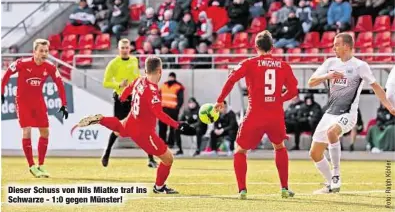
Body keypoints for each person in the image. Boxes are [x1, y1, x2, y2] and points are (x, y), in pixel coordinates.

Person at [74, 56, 195, 194]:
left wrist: (121, 98)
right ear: (160, 71)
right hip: (144, 132)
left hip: (130, 121)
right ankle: (159, 187)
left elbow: (128, 89)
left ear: (145, 69)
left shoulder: (139, 80)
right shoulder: (153, 91)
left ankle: (101, 119)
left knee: (120, 129)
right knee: (168, 159)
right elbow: (159, 114)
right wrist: (178, 125)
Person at [214, 30, 299, 199]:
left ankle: (242, 190)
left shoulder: (249, 63)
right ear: (273, 47)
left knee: (240, 151)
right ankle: (284, 188)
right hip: (275, 114)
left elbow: (231, 79)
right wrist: (278, 100)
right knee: (279, 147)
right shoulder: (283, 65)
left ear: (256, 47)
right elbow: (293, 91)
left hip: (255, 114)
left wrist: (220, 100)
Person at [308, 33, 395, 194]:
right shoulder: (330, 63)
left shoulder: (360, 66)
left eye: (336, 44)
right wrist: (328, 76)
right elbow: (311, 81)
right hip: (330, 112)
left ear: (347, 46)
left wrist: (390, 107)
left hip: (348, 114)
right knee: (314, 153)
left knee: (331, 132)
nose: (333, 47)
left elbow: (376, 87)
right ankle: (330, 185)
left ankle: (336, 175)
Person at [1, 39, 68, 177]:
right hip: (23, 102)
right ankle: (31, 166)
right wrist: (2, 92)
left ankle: (41, 165)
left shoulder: (50, 67)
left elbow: (60, 84)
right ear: (34, 52)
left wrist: (64, 104)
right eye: (41, 51)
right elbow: (6, 75)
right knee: (27, 131)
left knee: (45, 132)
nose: (44, 54)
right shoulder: (22, 63)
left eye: (46, 51)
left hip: (39, 102)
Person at [101, 38, 157, 168]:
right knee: (118, 129)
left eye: (127, 48)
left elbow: (136, 77)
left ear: (129, 49)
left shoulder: (133, 60)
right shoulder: (113, 64)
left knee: (144, 127)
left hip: (134, 98)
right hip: (121, 99)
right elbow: (105, 82)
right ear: (119, 49)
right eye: (122, 48)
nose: (125, 50)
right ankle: (107, 152)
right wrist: (118, 84)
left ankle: (150, 159)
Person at [159, 72, 185, 155]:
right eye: (169, 77)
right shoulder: (163, 85)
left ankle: (171, 143)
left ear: (174, 78)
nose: (170, 78)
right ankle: (162, 143)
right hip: (163, 109)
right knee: (162, 127)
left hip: (173, 110)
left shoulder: (178, 86)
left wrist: (177, 109)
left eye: (172, 77)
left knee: (173, 128)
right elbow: (158, 96)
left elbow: (181, 99)